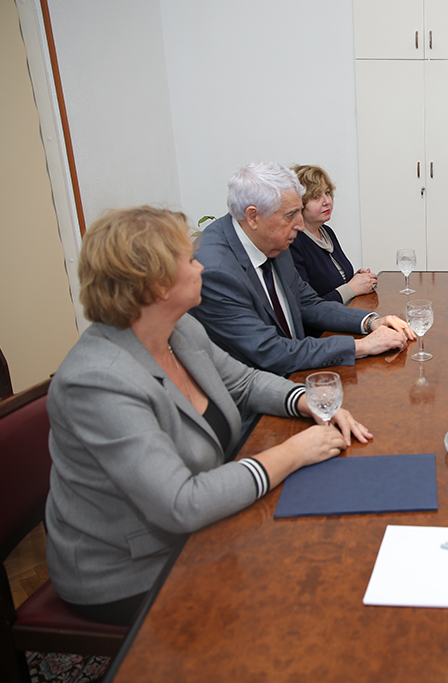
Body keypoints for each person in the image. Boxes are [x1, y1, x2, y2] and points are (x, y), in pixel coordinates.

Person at [46, 207, 373, 625]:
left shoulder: (179, 329)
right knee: (303, 595)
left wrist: (304, 399)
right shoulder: (97, 382)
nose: (201, 266)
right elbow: (181, 504)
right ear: (157, 283)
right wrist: (294, 452)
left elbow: (245, 383)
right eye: (189, 259)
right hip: (132, 570)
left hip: (200, 529)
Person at [191, 162, 414, 376]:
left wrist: (371, 321)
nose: (299, 225)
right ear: (253, 217)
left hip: (299, 372)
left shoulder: (273, 238)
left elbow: (308, 303)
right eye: (290, 215)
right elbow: (268, 351)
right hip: (264, 390)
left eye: (299, 211)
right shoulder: (215, 271)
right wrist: (362, 346)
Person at [289, 164, 377, 305]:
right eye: (316, 197)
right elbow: (307, 307)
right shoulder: (293, 242)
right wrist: (351, 289)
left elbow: (336, 283)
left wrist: (359, 280)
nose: (327, 201)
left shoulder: (326, 232)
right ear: (299, 203)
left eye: (327, 193)